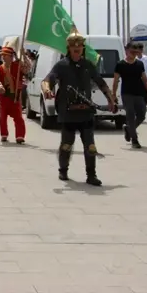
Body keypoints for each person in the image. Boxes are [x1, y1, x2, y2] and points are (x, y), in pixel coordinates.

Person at [41, 27, 116, 186]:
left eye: (79, 48)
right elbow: (47, 80)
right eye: (74, 49)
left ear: (82, 48)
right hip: (68, 113)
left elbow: (101, 83)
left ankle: (91, 175)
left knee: (90, 146)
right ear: (69, 49)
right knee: (67, 145)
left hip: (86, 112)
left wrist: (110, 99)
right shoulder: (62, 65)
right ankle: (63, 170)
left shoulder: (88, 65)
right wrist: (47, 90)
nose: (77, 50)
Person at [112, 42, 147, 149]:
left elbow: (144, 79)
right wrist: (113, 94)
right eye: (132, 51)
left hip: (139, 93)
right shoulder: (120, 64)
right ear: (127, 51)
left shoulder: (139, 64)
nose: (134, 54)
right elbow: (116, 80)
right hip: (127, 94)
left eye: (136, 52)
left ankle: (129, 129)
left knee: (141, 115)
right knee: (130, 116)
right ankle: (134, 140)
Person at [0, 46, 31, 143]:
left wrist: (23, 55)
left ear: (11, 56)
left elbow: (28, 68)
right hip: (4, 96)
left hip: (15, 96)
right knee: (2, 117)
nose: (4, 57)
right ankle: (4, 134)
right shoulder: (0, 68)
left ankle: (20, 136)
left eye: (6, 55)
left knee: (18, 117)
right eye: (3, 55)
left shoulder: (18, 66)